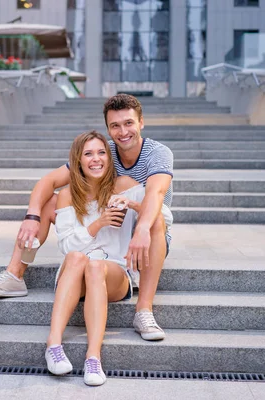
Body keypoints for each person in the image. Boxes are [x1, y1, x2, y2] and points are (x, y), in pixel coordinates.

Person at [0, 94, 174, 341]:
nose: (123, 131)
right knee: (49, 201)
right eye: (115, 125)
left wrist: (141, 227)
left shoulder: (158, 153)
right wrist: (32, 216)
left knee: (154, 220)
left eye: (129, 123)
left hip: (149, 228)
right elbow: (48, 181)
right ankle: (15, 274)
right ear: (108, 129)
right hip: (108, 223)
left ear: (141, 123)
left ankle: (143, 309)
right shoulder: (103, 150)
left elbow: (156, 194)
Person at [44, 131, 173, 386]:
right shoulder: (68, 195)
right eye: (88, 154)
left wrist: (135, 205)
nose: (96, 159)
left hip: (112, 273)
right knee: (77, 258)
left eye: (101, 152)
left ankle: (94, 357)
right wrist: (98, 224)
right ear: (77, 160)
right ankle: (53, 345)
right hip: (75, 273)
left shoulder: (125, 185)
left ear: (108, 157)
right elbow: (66, 245)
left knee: (94, 266)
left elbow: (164, 218)